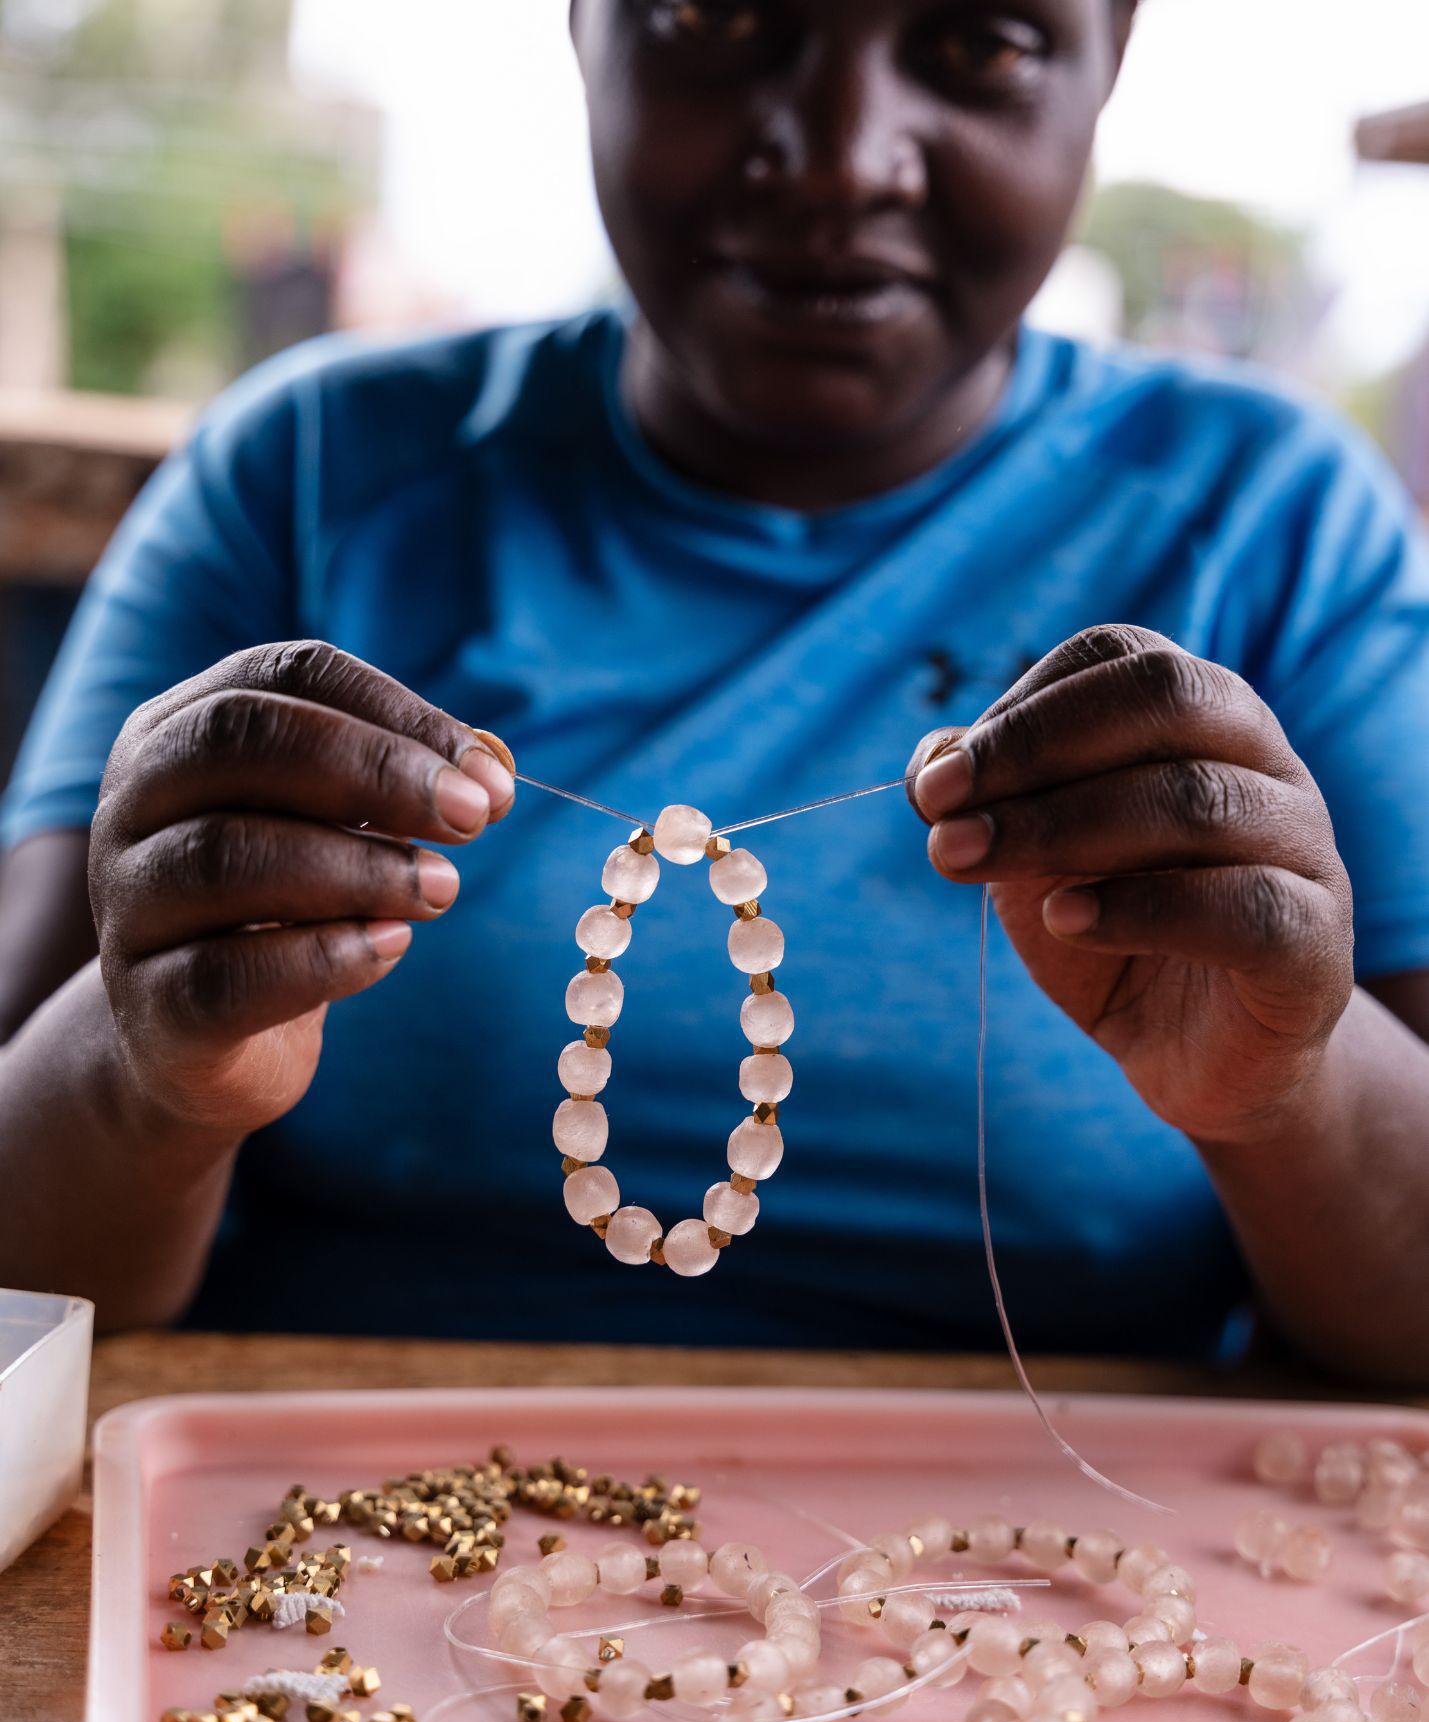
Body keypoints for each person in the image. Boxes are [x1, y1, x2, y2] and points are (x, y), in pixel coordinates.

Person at [0, 0, 1426, 1373]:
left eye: (979, 38)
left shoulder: (1269, 524)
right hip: (322, 1543)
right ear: (580, 25)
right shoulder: (304, 479)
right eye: (718, 20)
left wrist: (1290, 1088)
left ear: (1107, 59)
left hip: (1053, 1583)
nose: (836, 153)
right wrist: (143, 1079)